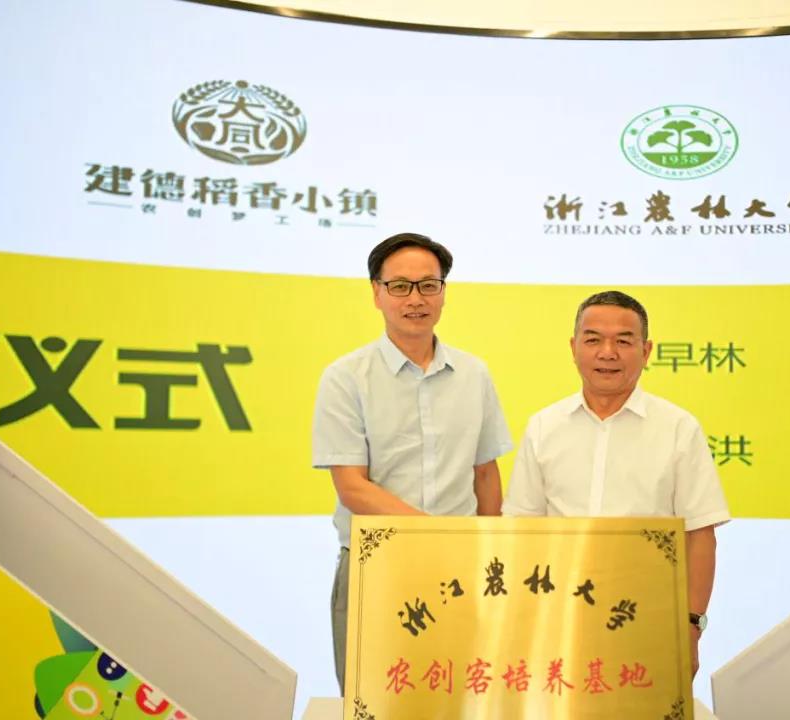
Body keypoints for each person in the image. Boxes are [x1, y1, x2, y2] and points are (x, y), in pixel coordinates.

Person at [312, 232, 513, 693]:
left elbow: (485, 473)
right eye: (400, 286)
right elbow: (353, 487)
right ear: (377, 293)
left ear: (443, 292)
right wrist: (435, 538)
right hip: (376, 565)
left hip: (463, 569)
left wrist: (491, 553)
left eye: (428, 285)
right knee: (374, 697)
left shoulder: (474, 374)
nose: (416, 299)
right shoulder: (346, 378)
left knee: (463, 693)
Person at [502, 290, 729, 677]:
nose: (607, 353)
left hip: (648, 621)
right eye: (593, 340)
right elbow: (522, 529)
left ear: (646, 351)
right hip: (557, 619)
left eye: (623, 341)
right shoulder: (544, 426)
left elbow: (700, 535)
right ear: (574, 348)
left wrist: (691, 627)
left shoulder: (678, 428)